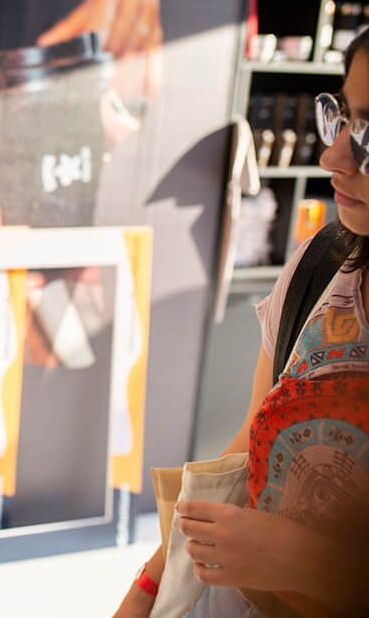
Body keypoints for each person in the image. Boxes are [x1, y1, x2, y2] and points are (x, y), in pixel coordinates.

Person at [114, 32, 369, 617]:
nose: (334, 156)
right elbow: (243, 460)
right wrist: (149, 588)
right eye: (343, 118)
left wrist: (308, 560)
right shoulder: (321, 267)